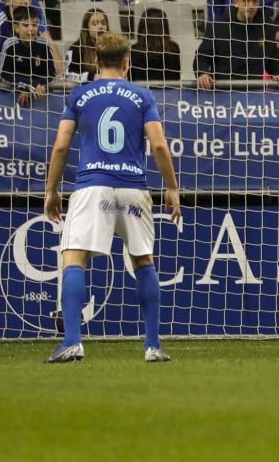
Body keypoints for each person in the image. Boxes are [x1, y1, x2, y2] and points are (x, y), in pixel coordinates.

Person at [43, 31, 181, 363]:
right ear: (126, 62)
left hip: (93, 185)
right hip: (133, 187)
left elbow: (61, 145)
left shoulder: (80, 95)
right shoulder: (142, 95)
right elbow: (159, 145)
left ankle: (74, 341)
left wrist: (51, 190)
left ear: (94, 60)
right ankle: (152, 346)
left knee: (74, 259)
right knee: (143, 260)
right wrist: (172, 187)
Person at [195, 0, 279, 89]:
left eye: (254, 1)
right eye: (246, 1)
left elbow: (274, 58)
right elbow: (202, 56)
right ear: (235, 2)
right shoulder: (217, 26)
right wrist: (203, 73)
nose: (251, 5)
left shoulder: (267, 26)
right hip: (223, 93)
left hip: (254, 93)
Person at [0, 5, 57, 108]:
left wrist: (36, 85)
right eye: (25, 25)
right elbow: (5, 75)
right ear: (16, 28)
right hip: (12, 97)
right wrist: (29, 85)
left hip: (40, 94)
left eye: (34, 25)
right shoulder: (10, 45)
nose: (31, 29)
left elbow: (51, 74)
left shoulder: (44, 45)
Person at [129, 7, 182, 82]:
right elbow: (176, 77)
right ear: (164, 26)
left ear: (143, 25)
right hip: (168, 92)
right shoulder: (173, 48)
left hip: (141, 92)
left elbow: (132, 78)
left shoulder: (134, 49)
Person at [68, 7, 112, 81]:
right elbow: (67, 75)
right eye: (95, 23)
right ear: (87, 28)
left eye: (103, 23)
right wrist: (91, 77)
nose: (100, 26)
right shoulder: (76, 48)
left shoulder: (114, 47)